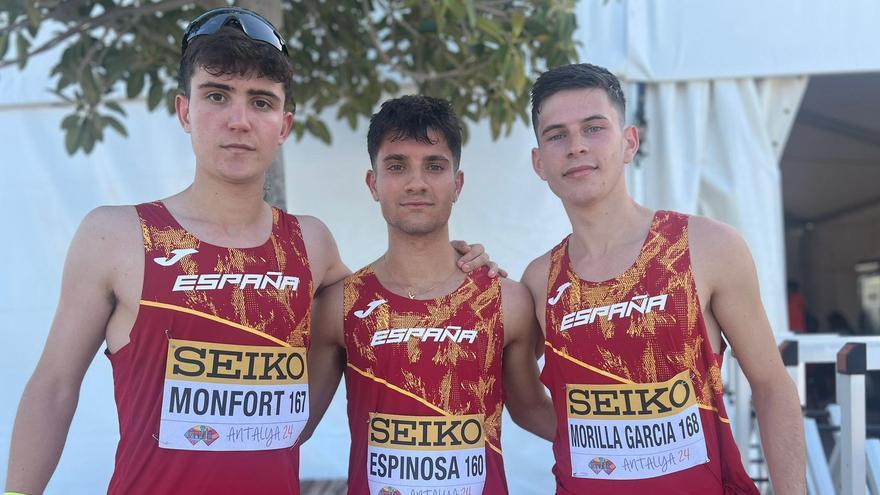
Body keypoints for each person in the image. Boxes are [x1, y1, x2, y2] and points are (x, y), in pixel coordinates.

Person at [4, 8, 495, 495]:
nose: (239, 120)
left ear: (283, 125)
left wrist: (452, 258)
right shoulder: (117, 235)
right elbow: (53, 387)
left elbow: (385, 308)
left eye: (261, 102)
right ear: (184, 111)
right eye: (217, 96)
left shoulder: (311, 243)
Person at [520, 63, 805, 493]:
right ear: (540, 162)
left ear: (629, 143)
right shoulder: (540, 279)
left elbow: (770, 385)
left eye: (594, 128)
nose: (576, 146)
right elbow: (524, 401)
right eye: (557, 135)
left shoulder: (707, 246)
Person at [305, 95, 554, 495]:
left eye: (434, 166)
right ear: (373, 183)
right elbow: (290, 427)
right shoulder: (340, 305)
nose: (416, 182)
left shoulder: (507, 301)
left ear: (457, 184)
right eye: (397, 165)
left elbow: (532, 411)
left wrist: (638, 441)